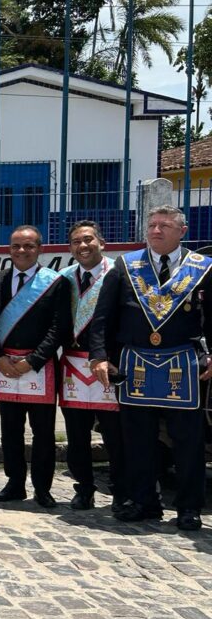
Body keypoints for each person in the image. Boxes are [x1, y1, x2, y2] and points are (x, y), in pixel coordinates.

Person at [91, 205, 212, 531]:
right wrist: (99, 357)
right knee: (138, 441)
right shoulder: (125, 266)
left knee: (188, 442)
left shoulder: (203, 268)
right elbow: (103, 317)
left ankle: (189, 508)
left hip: (184, 364)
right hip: (136, 363)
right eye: (152, 225)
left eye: (165, 225)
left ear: (182, 231)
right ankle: (144, 502)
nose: (156, 230)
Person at [0, 225, 69, 508]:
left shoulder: (55, 282)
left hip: (39, 367)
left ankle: (43, 488)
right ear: (9, 249)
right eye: (16, 246)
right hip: (5, 365)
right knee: (10, 430)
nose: (22, 251)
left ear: (40, 249)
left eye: (29, 246)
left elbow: (58, 328)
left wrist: (33, 361)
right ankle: (14, 483)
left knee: (43, 432)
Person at [58, 220, 124, 512]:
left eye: (88, 240)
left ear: (101, 242)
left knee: (115, 435)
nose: (82, 246)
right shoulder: (65, 278)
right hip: (72, 363)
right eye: (76, 242)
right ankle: (83, 488)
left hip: (108, 366)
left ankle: (122, 490)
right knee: (76, 434)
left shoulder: (119, 275)